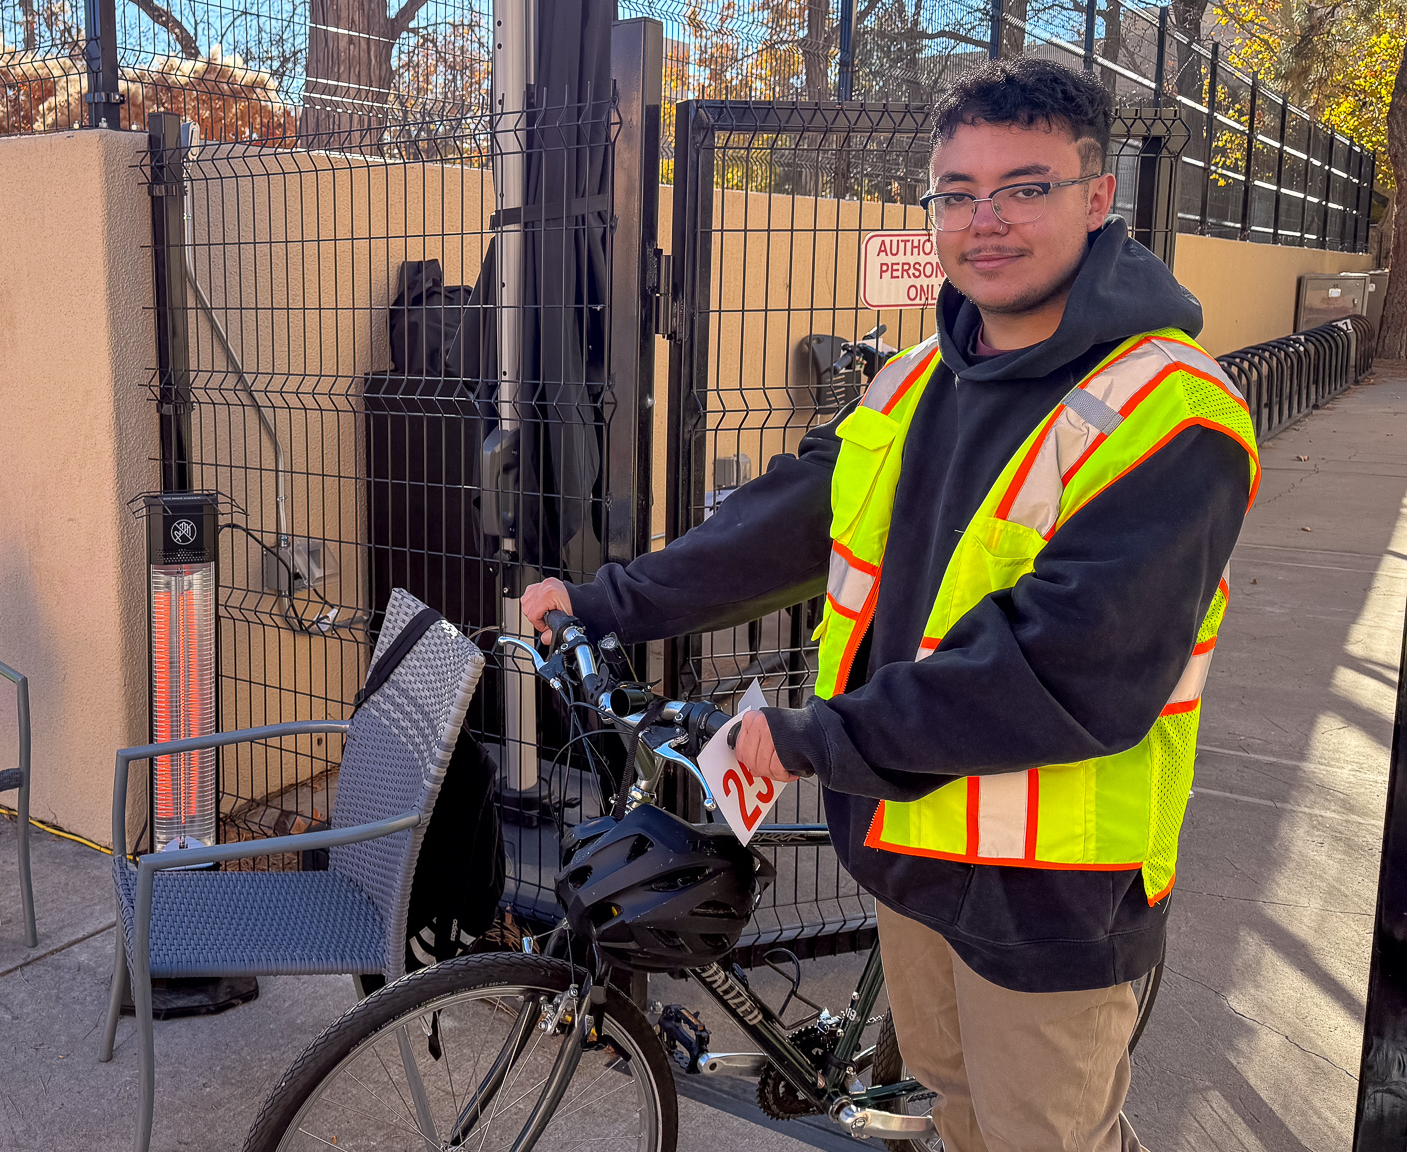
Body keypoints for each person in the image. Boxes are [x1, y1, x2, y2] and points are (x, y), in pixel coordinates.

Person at [525, 57, 1255, 1151]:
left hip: (1045, 897)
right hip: (904, 848)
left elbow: (1060, 671)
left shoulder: (1170, 415)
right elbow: (786, 521)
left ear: (1096, 199)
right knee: (954, 1116)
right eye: (955, 193)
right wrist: (605, 603)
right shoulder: (915, 376)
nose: (984, 220)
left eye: (1024, 186)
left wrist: (811, 737)